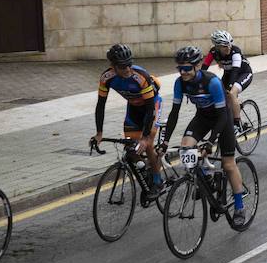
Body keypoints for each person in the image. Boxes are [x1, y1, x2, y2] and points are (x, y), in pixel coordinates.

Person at [161, 46, 247, 225]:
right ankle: (206, 176)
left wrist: (210, 141)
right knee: (186, 148)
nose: (183, 72)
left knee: (228, 164)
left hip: (222, 118)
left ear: (198, 66)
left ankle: (239, 206)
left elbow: (223, 115)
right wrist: (165, 141)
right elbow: (174, 113)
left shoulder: (212, 82)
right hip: (202, 117)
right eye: (180, 68)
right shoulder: (180, 83)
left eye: (186, 68)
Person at [93, 44, 164, 196]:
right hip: (133, 108)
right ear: (112, 66)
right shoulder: (107, 78)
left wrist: (145, 138)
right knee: (131, 148)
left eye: (128, 65)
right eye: (122, 66)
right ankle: (146, 168)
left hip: (151, 106)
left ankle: (158, 181)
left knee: (148, 144)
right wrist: (99, 133)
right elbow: (100, 105)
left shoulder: (140, 76)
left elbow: (151, 109)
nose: (126, 69)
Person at [202, 30, 253, 132]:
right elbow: (204, 68)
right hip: (228, 74)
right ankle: (228, 115)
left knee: (232, 93)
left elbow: (235, 70)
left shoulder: (235, 51)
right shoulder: (213, 52)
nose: (228, 48)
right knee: (219, 96)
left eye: (230, 44)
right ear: (217, 47)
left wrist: (229, 87)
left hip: (243, 73)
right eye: (225, 46)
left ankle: (237, 123)